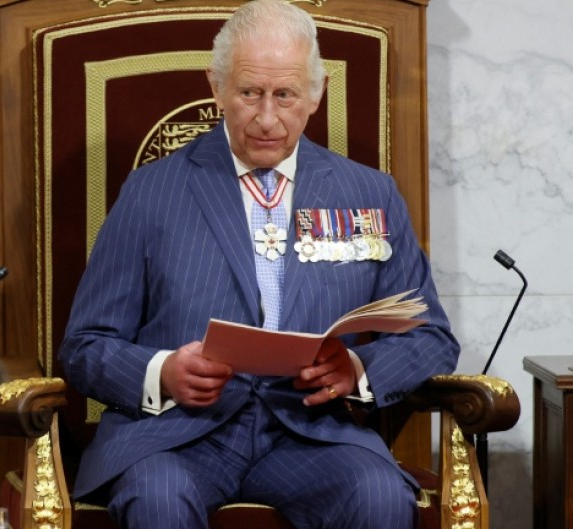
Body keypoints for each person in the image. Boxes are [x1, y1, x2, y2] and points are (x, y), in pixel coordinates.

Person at [57, 1, 460, 528]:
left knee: (378, 494)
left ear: (315, 94)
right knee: (156, 495)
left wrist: (357, 370)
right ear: (217, 86)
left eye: (285, 95)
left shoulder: (369, 192)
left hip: (310, 434)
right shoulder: (151, 190)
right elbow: (85, 345)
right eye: (250, 93)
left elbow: (431, 338)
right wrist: (163, 372)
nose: (267, 118)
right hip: (177, 436)